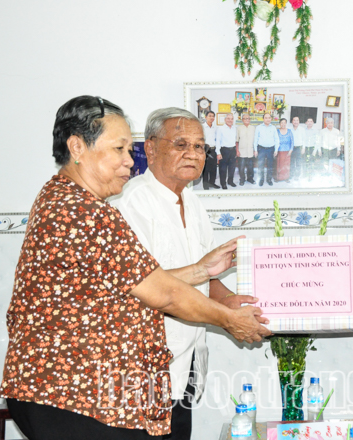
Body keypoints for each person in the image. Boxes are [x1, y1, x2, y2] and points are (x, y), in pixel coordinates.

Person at [0, 96, 271, 440]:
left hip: (80, 390)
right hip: (75, 392)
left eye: (130, 149)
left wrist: (203, 272)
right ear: (77, 146)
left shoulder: (65, 199)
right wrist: (230, 320)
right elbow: (163, 294)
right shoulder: (84, 211)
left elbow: (133, 282)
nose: (130, 160)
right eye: (119, 149)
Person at [109, 107, 259, 439]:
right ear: (150, 148)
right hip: (144, 369)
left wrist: (234, 303)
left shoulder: (193, 203)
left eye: (199, 146)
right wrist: (226, 318)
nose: (193, 153)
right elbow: (143, 287)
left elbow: (207, 274)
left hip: (187, 363)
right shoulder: (132, 204)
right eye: (180, 144)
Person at [254, 113, 279, 187]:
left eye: (269, 118)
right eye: (266, 118)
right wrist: (255, 150)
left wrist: (276, 150)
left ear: (271, 119)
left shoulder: (273, 128)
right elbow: (256, 139)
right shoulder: (258, 127)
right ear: (263, 119)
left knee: (270, 165)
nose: (268, 119)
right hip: (261, 148)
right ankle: (261, 180)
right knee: (260, 165)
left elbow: (276, 139)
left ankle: (269, 179)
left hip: (271, 149)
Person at [216, 113, 237, 189]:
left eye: (231, 119)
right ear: (225, 120)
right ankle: (223, 183)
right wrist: (218, 153)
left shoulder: (234, 128)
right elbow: (218, 141)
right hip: (224, 150)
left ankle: (230, 181)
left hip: (232, 150)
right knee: (223, 168)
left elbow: (235, 140)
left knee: (232, 168)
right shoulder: (220, 129)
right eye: (228, 118)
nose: (230, 120)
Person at [201, 111, 219, 190]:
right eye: (210, 116)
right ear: (206, 117)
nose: (211, 118)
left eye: (213, 116)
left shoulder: (215, 128)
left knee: (213, 168)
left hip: (213, 149)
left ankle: (212, 183)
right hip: (205, 150)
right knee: (206, 169)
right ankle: (205, 185)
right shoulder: (202, 127)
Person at [237, 113, 256, 185]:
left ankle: (250, 178)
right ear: (242, 120)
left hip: (251, 151)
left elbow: (255, 141)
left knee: (250, 167)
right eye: (245, 118)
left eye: (248, 118)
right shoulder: (239, 128)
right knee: (241, 167)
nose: (247, 120)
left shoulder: (253, 128)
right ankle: (242, 179)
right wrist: (237, 150)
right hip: (242, 151)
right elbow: (237, 140)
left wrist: (255, 150)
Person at [275, 118, 294, 182]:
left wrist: (291, 150)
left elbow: (292, 141)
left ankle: (286, 178)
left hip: (287, 151)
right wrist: (276, 150)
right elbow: (275, 141)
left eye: (284, 123)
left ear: (286, 123)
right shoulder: (277, 131)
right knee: (279, 165)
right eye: (281, 123)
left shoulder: (289, 131)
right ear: (280, 124)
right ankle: (279, 178)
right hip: (279, 150)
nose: (283, 124)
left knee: (286, 165)